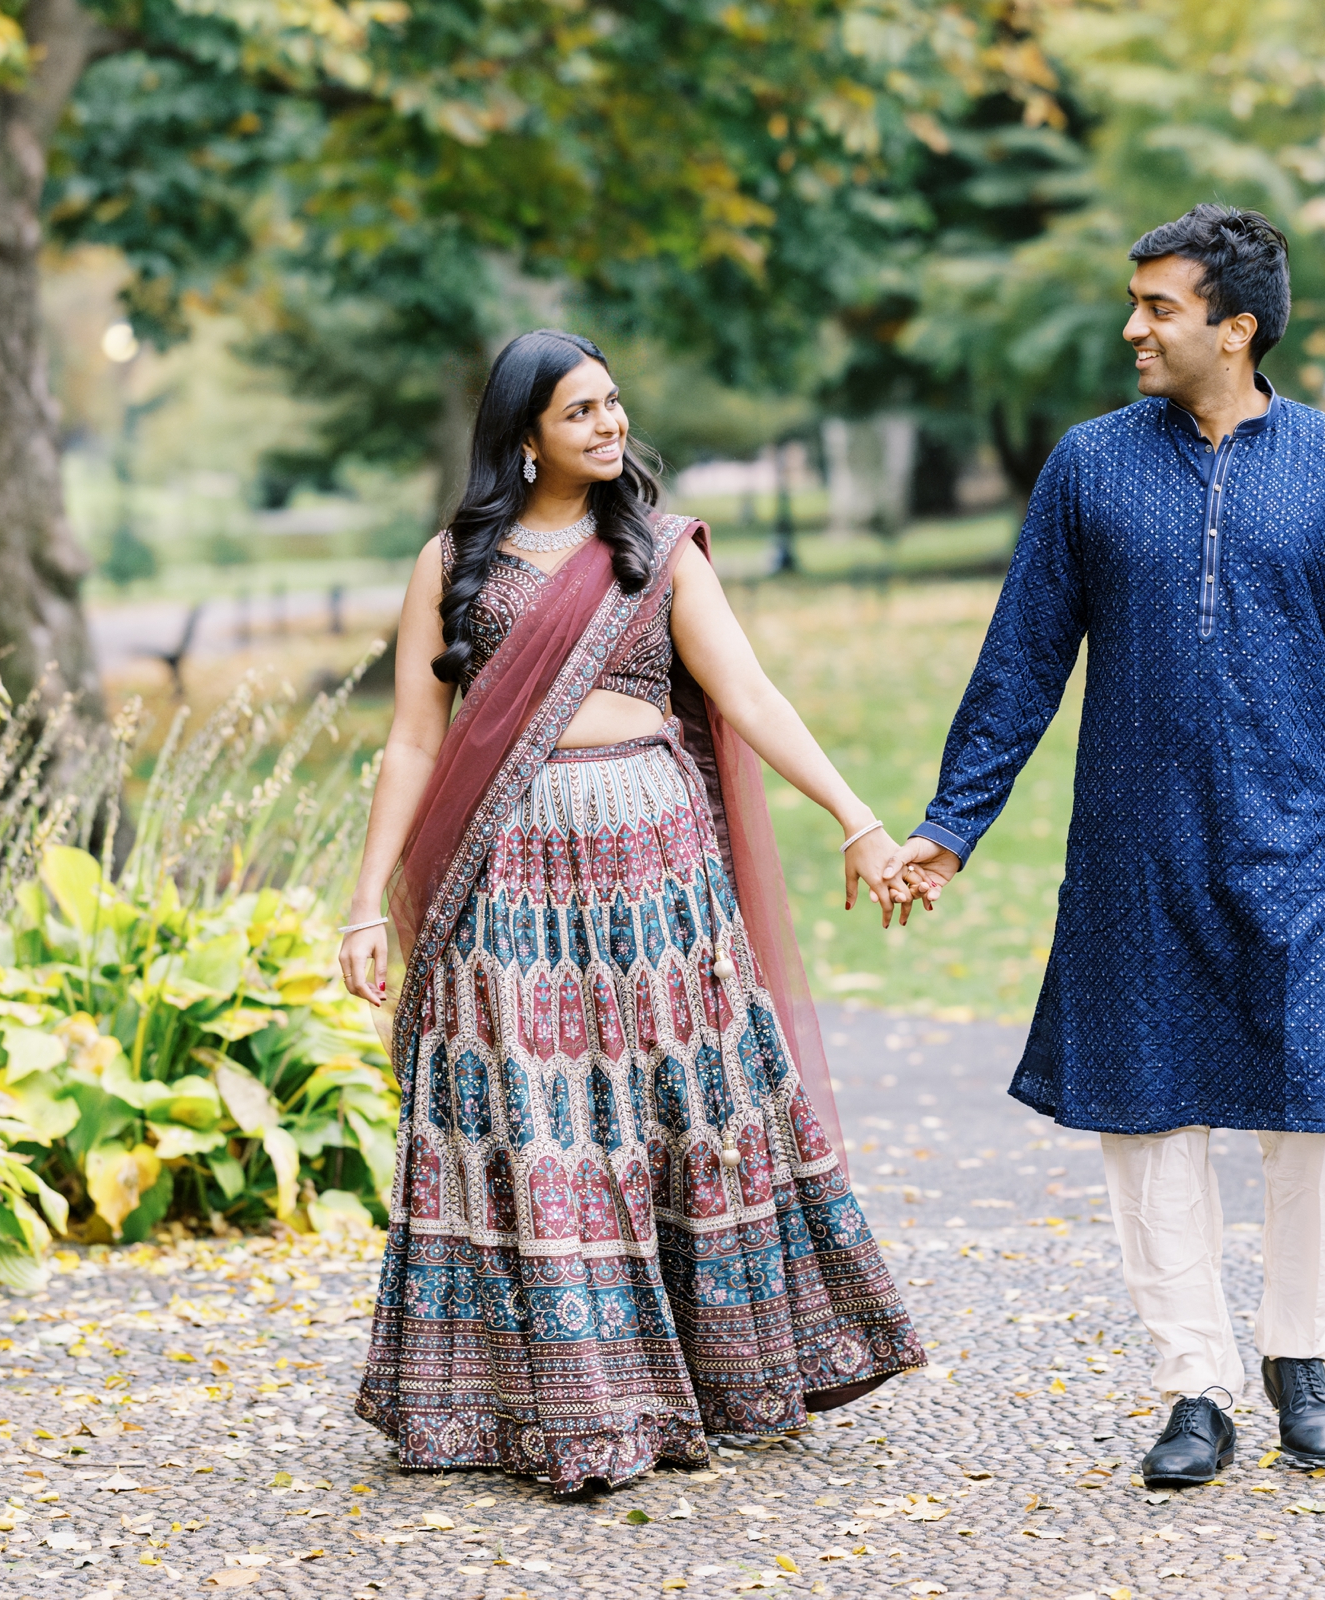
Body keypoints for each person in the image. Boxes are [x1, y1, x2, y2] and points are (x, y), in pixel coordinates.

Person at [894, 206, 1325, 1488]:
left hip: (1302, 843)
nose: (1133, 328)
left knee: (1320, 1110)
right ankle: (1195, 1382)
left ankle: (1301, 1355)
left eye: (1159, 308)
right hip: (1133, 845)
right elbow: (1021, 661)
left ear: (1235, 328)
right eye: (1135, 304)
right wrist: (952, 824)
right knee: (1146, 1113)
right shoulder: (1089, 467)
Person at [338, 330, 924, 1493]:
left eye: (612, 404)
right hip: (510, 871)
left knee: (673, 1107)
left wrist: (856, 816)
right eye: (579, 412)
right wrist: (366, 903)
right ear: (524, 436)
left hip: (655, 872)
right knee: (540, 1119)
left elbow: (746, 691)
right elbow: (412, 738)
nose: (609, 425)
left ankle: (715, 1374)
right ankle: (561, 1397)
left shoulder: (656, 551)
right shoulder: (451, 561)